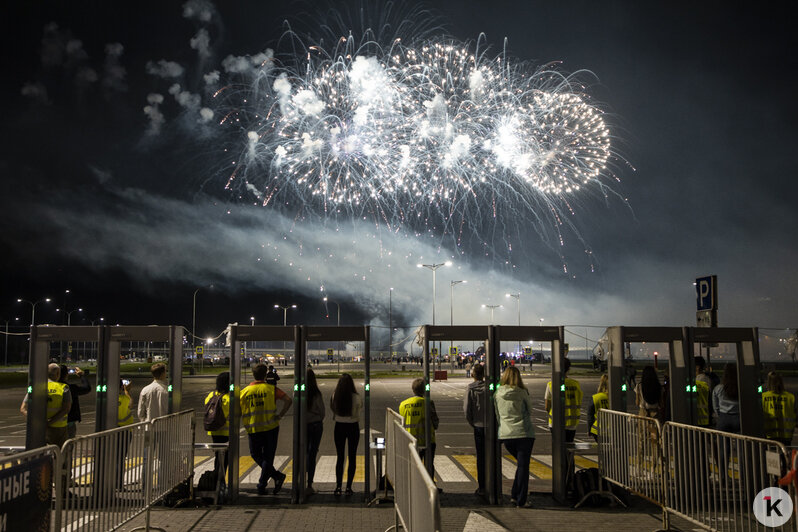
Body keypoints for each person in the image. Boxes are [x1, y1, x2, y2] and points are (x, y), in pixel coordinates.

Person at [240, 364, 293, 495]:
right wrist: (280, 415)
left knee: (255, 454)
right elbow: (288, 400)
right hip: (271, 428)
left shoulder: (245, 392)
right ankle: (273, 478)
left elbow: (237, 409)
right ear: (265, 375)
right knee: (268, 457)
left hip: (253, 428)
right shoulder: (271, 389)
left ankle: (264, 484)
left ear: (253, 375)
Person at [494, 366, 535, 508]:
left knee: (521, 466)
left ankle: (514, 494)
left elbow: (497, 415)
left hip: (506, 435)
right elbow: (530, 409)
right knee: (523, 467)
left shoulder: (497, 393)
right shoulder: (522, 392)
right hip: (524, 433)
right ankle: (521, 500)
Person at [21, 363, 72, 447]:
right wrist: (49, 422)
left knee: (40, 454)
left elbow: (23, 408)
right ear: (58, 374)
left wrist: (36, 421)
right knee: (60, 454)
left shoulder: (35, 387)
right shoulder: (64, 388)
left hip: (38, 428)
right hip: (58, 428)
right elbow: (66, 409)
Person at [399, 378, 439, 479]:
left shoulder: (403, 404)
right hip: (428, 440)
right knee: (429, 465)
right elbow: (435, 421)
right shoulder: (428, 402)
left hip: (411, 440)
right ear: (424, 390)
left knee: (414, 465)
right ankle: (430, 486)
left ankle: (415, 486)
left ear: (413, 389)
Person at [331, 373, 361, 496]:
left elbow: (332, 408)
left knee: (340, 457)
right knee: (352, 457)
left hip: (339, 426)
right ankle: (348, 487)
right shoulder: (356, 396)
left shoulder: (335, 395)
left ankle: (338, 486)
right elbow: (360, 407)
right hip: (353, 426)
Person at [544, 358, 583, 441]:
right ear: (568, 369)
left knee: (558, 446)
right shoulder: (576, 384)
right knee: (569, 446)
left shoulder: (551, 384)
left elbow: (547, 406)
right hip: (572, 423)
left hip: (555, 422)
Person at [464, 363, 486, 495]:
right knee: (492, 455)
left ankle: (482, 486)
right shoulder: (490, 388)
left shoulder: (470, 388)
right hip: (490, 426)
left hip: (478, 426)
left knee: (481, 457)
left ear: (473, 375)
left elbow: (466, 409)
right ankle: (493, 483)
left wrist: (472, 422)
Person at [205, 372, 231, 477]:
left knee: (218, 456)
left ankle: (218, 479)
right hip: (226, 431)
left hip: (214, 430)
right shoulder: (230, 398)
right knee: (225, 458)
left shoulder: (211, 396)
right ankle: (220, 481)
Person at [305, 368, 325, 494]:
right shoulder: (316, 394)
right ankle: (309, 485)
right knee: (312, 454)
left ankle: (299, 480)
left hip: (303, 426)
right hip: (316, 425)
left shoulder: (299, 393)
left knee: (304, 452)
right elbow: (322, 412)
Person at [762, 372, 796, 446]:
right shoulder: (791, 397)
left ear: (769, 382)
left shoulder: (763, 397)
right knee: (785, 456)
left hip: (769, 434)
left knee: (770, 456)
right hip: (786, 435)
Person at [61, 365, 91, 439]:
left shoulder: (48, 387)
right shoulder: (69, 388)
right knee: (67, 446)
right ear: (66, 375)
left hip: (52, 422)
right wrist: (82, 376)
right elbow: (87, 388)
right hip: (68, 421)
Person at [712, 363, 739, 433]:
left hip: (723, 417)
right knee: (740, 442)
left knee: (723, 442)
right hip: (738, 417)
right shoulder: (739, 388)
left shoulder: (718, 388)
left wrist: (720, 415)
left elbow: (715, 406)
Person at [587, 374, 609, 441]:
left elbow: (590, 416)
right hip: (613, 430)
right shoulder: (614, 397)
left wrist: (589, 429)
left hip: (597, 429)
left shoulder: (595, 397)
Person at [693, 357, 711, 428]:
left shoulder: (700, 380)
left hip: (699, 417)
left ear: (697, 367)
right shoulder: (706, 379)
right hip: (704, 418)